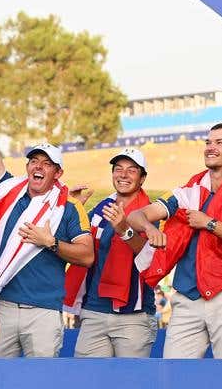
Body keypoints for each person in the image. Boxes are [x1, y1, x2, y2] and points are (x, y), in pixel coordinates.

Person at [125, 123, 222, 359]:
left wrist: (209, 223)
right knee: (173, 376)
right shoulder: (189, 190)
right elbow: (136, 215)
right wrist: (147, 228)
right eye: (208, 142)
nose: (210, 147)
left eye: (219, 142)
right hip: (187, 297)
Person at [0, 131, 94, 358]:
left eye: (47, 164)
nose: (38, 167)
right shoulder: (8, 194)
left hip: (44, 311)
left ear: (58, 173)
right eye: (34, 161)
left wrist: (50, 242)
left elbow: (87, 255)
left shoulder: (69, 208)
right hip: (2, 306)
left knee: (43, 380)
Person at [71, 147, 159, 358]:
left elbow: (151, 260)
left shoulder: (152, 211)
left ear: (142, 178)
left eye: (131, 170)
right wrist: (73, 208)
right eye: (118, 169)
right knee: (87, 381)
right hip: (94, 310)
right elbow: (77, 243)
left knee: (130, 382)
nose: (123, 174)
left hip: (134, 316)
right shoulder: (102, 207)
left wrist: (124, 230)